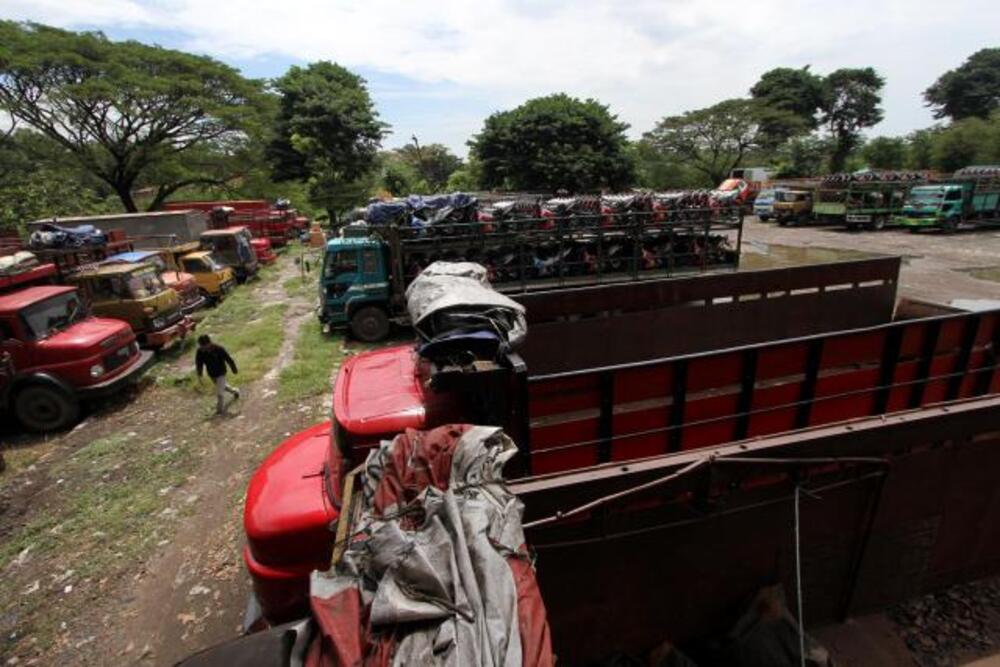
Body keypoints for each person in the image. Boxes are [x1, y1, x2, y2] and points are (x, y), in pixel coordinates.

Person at [195, 334, 240, 415]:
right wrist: (200, 374)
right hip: (212, 373)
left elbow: (228, 358)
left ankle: (220, 410)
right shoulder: (200, 351)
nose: (203, 348)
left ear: (209, 343)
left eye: (205, 346)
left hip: (221, 372)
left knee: (219, 392)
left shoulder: (218, 348)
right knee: (223, 386)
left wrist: (234, 369)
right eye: (202, 346)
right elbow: (199, 363)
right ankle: (235, 391)